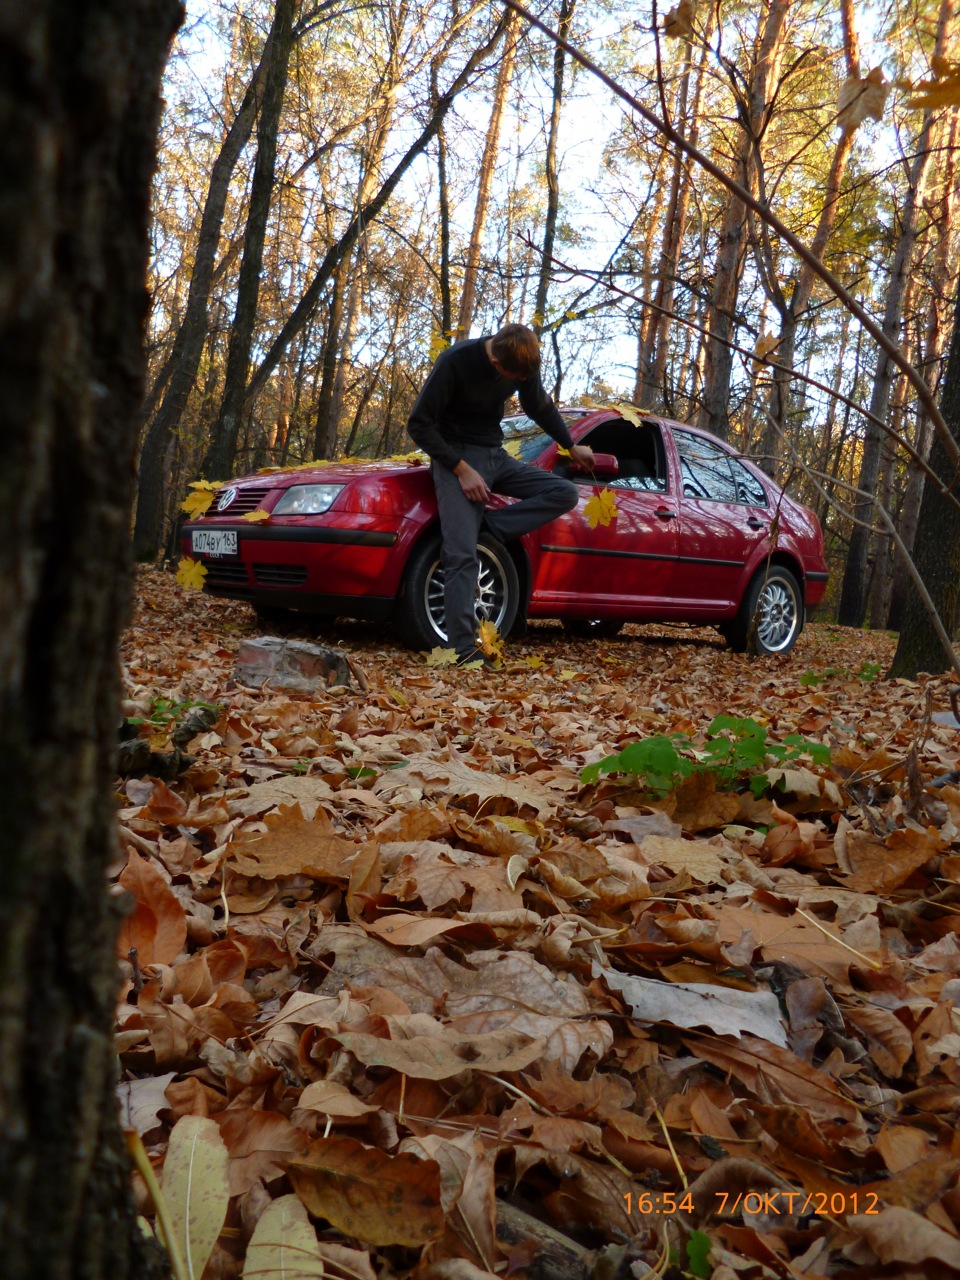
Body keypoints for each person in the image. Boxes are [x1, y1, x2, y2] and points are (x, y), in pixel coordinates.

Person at [407, 323, 595, 665]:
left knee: (563, 492)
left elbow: (538, 405)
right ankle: (464, 650)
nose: (521, 382)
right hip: (455, 458)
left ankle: (490, 528)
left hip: (496, 455)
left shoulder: (521, 362)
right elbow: (419, 424)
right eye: (516, 377)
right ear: (497, 364)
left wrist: (570, 445)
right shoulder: (456, 361)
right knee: (461, 555)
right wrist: (461, 470)